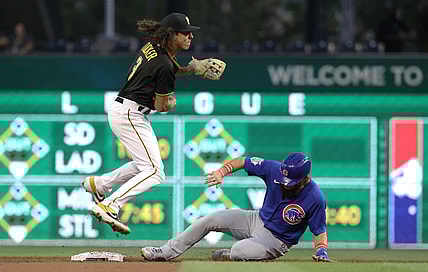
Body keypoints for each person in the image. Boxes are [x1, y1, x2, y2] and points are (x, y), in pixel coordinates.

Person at [82, 13, 212, 234]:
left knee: (145, 166)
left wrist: (189, 70)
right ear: (172, 35)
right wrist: (171, 103)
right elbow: (162, 106)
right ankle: (110, 205)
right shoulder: (164, 64)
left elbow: (166, 69)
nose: (190, 36)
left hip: (125, 110)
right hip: (130, 114)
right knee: (155, 172)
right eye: (185, 32)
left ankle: (101, 184)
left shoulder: (154, 48)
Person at [141, 152, 331, 262]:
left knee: (239, 250)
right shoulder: (274, 169)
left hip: (276, 240)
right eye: (284, 178)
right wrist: (222, 171)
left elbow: (319, 230)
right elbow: (244, 161)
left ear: (305, 178)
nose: (285, 183)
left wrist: (321, 250)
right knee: (210, 219)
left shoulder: (315, 197)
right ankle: (165, 252)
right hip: (256, 219)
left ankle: (232, 255)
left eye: (290, 181)